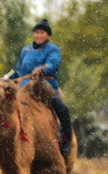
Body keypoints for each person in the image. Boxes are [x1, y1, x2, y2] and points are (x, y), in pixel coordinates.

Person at [10, 19, 73, 156]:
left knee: (62, 110)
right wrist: (6, 80)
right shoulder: (25, 50)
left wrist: (42, 69)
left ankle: (67, 140)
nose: (39, 35)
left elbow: (53, 64)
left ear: (48, 35)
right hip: (24, 88)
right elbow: (18, 71)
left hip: (46, 86)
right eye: (37, 32)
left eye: (42, 32)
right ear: (34, 34)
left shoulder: (53, 49)